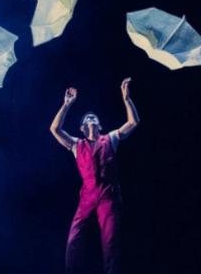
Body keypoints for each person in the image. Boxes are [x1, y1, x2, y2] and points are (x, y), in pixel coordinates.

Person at [50, 77, 140, 274]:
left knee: (110, 243)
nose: (91, 118)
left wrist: (126, 99)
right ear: (82, 128)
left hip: (108, 195)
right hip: (87, 197)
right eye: (86, 118)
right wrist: (66, 105)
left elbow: (133, 122)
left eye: (94, 117)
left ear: (99, 125)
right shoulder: (76, 145)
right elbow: (54, 129)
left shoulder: (110, 139)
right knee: (74, 240)